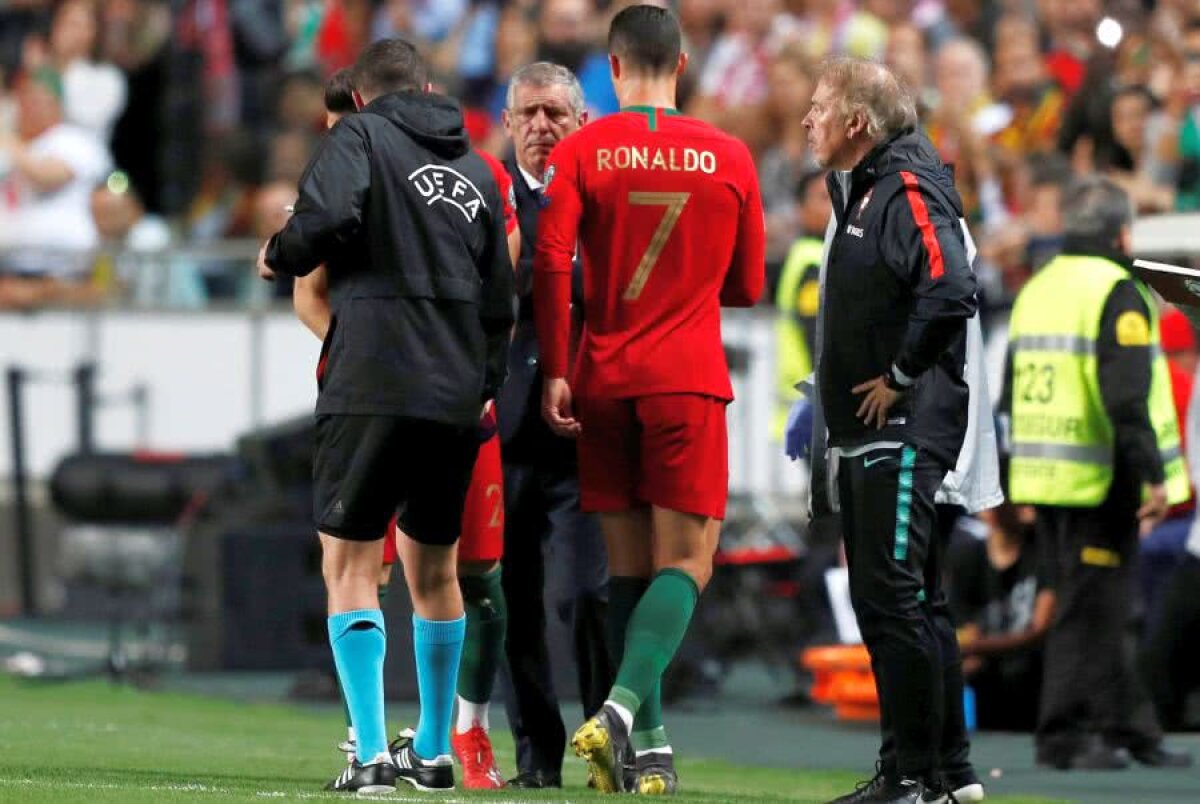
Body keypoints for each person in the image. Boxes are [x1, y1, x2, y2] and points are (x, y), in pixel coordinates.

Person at [258, 39, 515, 793]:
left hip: (371, 381)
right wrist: (480, 382)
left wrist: (282, 247)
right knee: (437, 572)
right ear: (428, 88)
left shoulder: (360, 137)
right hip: (453, 396)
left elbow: (329, 215)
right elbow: (501, 299)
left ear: (362, 97)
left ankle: (370, 752)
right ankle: (435, 750)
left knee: (350, 565)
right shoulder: (474, 167)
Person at [534, 5, 765, 794]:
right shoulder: (729, 154)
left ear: (614, 65)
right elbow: (747, 284)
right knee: (690, 564)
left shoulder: (582, 149)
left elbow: (551, 258)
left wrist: (558, 366)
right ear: (684, 63)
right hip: (687, 377)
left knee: (629, 571)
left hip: (602, 375)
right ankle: (623, 710)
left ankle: (649, 753)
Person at [799, 57, 980, 803]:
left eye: (818, 107)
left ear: (855, 123)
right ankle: (948, 772)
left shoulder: (903, 188)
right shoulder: (871, 185)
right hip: (883, 427)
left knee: (891, 598)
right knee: (910, 599)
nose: (807, 119)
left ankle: (910, 777)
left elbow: (951, 288)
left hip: (903, 425)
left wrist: (900, 375)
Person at [1003, 175, 1192, 772]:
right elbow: (1126, 397)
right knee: (1089, 613)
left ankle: (1129, 726)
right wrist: (1155, 476)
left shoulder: (1039, 287)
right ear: (1123, 233)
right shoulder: (1117, 291)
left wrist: (1016, 480)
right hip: (1099, 478)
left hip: (1045, 477)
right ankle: (1063, 735)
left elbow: (1013, 392)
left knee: (1103, 608)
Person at [495, 60, 615, 791]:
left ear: (581, 124)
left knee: (584, 595)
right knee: (513, 602)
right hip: (506, 431)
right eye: (529, 114)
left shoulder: (602, 204)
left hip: (580, 431)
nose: (542, 127)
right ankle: (536, 754)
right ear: (508, 124)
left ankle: (609, 738)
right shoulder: (486, 202)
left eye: (555, 114)